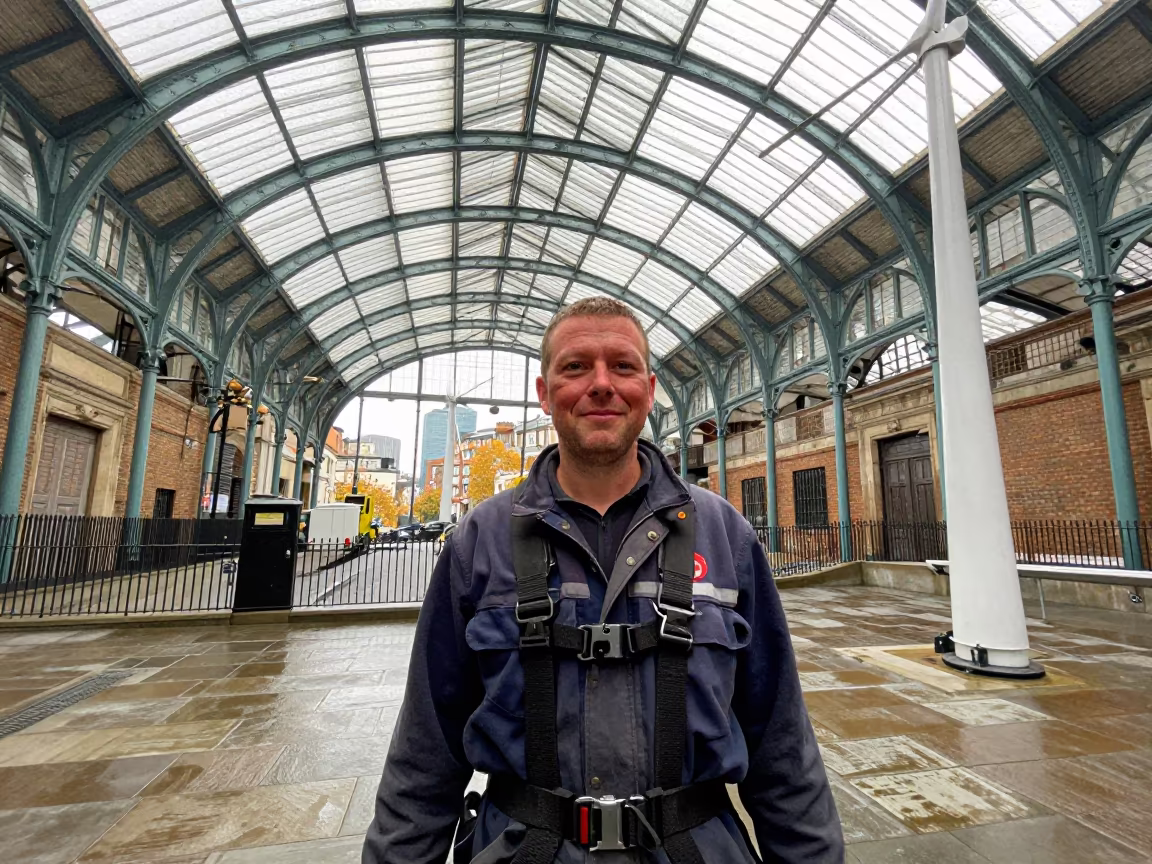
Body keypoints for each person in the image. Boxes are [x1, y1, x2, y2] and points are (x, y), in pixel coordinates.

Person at [363, 297, 843, 863]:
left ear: (649, 387)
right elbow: (426, 753)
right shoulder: (480, 540)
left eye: (622, 365)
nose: (601, 385)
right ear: (545, 393)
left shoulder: (725, 535)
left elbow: (782, 745)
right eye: (575, 367)